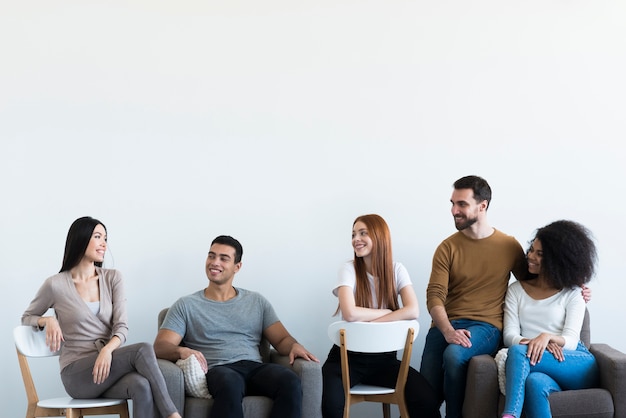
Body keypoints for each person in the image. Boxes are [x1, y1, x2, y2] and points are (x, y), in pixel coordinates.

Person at [420, 175, 592, 418]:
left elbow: (537, 278)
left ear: (483, 206)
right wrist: (447, 330)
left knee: (454, 354)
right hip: (447, 324)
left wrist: (575, 284)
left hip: (486, 325)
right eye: (452, 203)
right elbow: (435, 295)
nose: (453, 210)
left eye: (461, 204)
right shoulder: (447, 247)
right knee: (423, 389)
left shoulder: (508, 246)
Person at [21, 216, 181, 418]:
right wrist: (47, 320)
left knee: (141, 385)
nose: (104, 243)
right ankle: (173, 415)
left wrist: (107, 350)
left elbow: (121, 327)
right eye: (98, 237)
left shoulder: (113, 278)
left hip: (106, 367)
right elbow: (27, 317)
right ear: (81, 239)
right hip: (77, 375)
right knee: (143, 349)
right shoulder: (55, 285)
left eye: (105, 238)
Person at [153, 235, 319, 418]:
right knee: (230, 383)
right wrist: (182, 351)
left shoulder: (256, 302)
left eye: (224, 258)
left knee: (289, 381)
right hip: (218, 369)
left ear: (237, 267)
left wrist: (294, 345)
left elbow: (281, 339)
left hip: (254, 367)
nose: (215, 262)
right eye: (211, 256)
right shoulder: (186, 305)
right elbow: (160, 347)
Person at [322, 214, 441, 418]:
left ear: (379, 237)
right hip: (346, 360)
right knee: (332, 406)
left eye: (363, 233)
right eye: (353, 234)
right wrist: (388, 313)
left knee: (427, 399)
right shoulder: (348, 269)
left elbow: (413, 310)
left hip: (384, 361)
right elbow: (349, 312)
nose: (356, 239)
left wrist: (370, 319)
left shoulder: (397, 270)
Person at [500, 220, 599, 418]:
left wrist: (547, 337)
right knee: (534, 383)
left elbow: (571, 341)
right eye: (532, 250)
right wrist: (537, 344)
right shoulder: (516, 290)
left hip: (575, 363)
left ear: (558, 260)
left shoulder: (573, 294)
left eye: (540, 254)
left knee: (518, 353)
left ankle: (510, 415)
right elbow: (509, 335)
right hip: (536, 360)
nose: (530, 256)